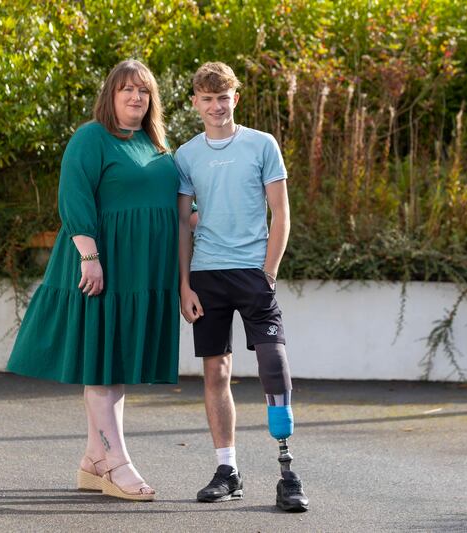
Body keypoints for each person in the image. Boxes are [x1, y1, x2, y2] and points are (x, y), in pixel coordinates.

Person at [6, 59, 180, 502]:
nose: (136, 98)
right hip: (101, 263)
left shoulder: (154, 142)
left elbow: (174, 206)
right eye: (127, 90)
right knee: (101, 364)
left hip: (141, 272)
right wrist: (89, 256)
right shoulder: (91, 138)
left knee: (114, 363)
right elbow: (74, 197)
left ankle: (93, 460)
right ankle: (117, 463)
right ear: (111, 95)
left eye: (143, 91)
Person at [175, 62, 309, 512]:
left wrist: (268, 273)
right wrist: (184, 285)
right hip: (207, 276)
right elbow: (182, 225)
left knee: (274, 365)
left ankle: (287, 473)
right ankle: (227, 470)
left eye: (223, 97)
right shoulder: (186, 155)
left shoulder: (261, 145)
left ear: (237, 97)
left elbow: (281, 213)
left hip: (253, 273)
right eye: (207, 98)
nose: (216, 106)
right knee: (216, 372)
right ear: (195, 102)